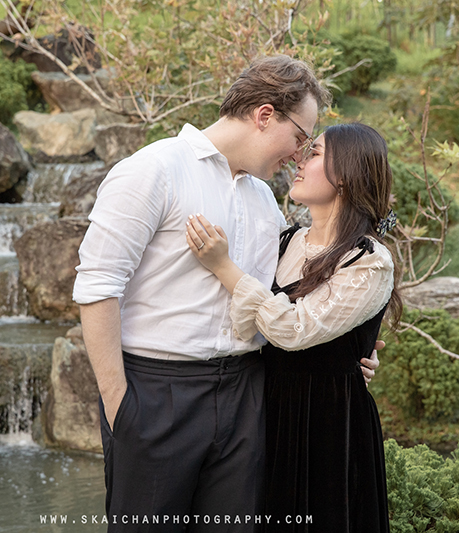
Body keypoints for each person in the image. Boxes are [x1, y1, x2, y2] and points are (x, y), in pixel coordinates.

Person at [73, 56, 381, 531]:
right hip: (157, 394)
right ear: (265, 115)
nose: (298, 156)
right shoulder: (154, 169)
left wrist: (343, 355)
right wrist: (120, 406)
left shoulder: (264, 200)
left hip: (248, 397)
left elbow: (286, 301)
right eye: (300, 137)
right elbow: (97, 285)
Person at [186, 122, 400, 532]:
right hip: (265, 409)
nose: (299, 160)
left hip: (328, 422)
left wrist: (223, 266)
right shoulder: (286, 240)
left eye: (314, 153)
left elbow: (292, 330)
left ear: (347, 175)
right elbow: (247, 325)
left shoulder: (368, 260)